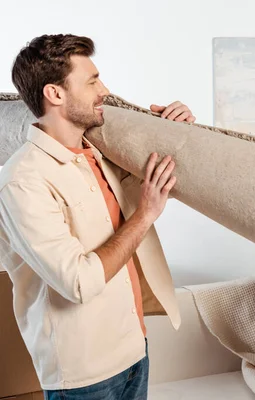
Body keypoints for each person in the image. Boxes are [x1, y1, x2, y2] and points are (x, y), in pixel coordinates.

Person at [0, 34, 196, 400]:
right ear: (55, 94)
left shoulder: (99, 157)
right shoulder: (21, 181)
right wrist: (145, 215)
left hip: (134, 349)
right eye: (91, 81)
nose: (104, 90)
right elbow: (78, 282)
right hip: (83, 375)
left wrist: (177, 130)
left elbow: (163, 178)